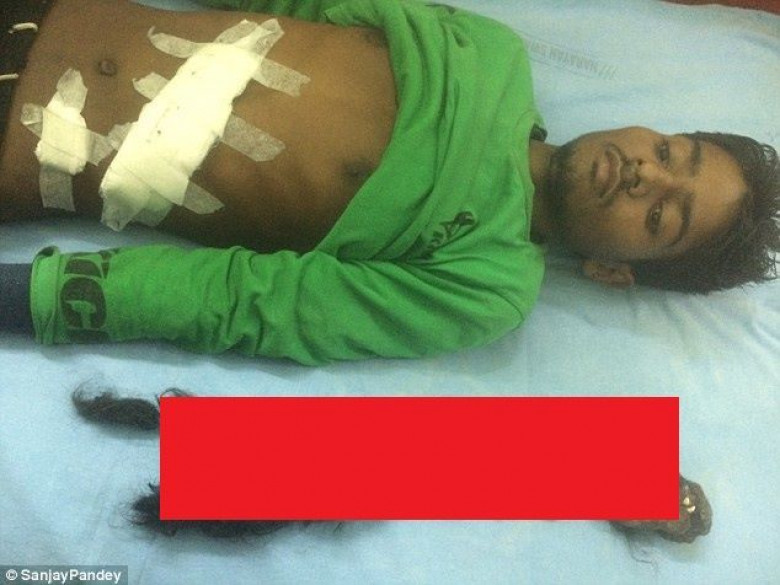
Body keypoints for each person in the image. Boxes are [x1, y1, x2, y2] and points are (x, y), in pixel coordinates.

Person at [0, 0, 777, 541]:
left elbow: (255, 303)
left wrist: (44, 296)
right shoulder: (493, 54)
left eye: (662, 218)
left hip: (23, 152)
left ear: (611, 271)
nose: (646, 174)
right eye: (670, 151)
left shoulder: (491, 283)